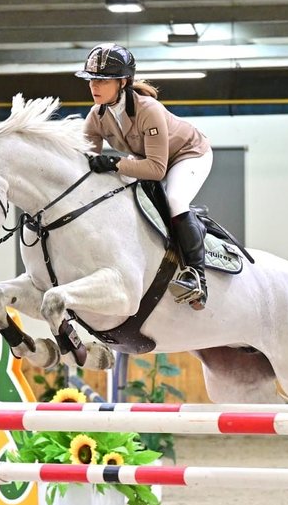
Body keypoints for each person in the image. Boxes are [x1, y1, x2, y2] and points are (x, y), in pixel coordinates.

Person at [76, 43, 213, 310]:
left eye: (103, 80)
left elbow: (156, 170)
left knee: (174, 199)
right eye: (92, 79)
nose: (94, 86)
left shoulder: (147, 109)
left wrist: (115, 164)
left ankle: (197, 278)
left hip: (188, 154)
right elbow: (87, 164)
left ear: (123, 81)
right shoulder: (96, 116)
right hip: (147, 160)